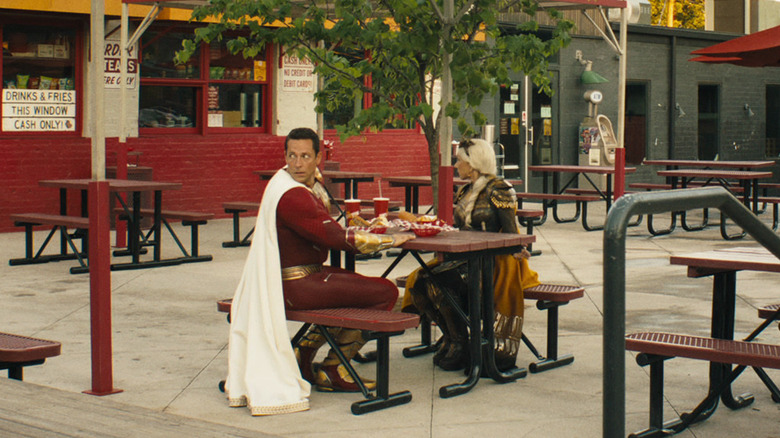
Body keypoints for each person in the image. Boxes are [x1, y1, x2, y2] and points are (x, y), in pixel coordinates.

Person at [225, 127, 415, 416]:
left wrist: (317, 189)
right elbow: (333, 237)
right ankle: (335, 368)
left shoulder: (285, 185)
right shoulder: (293, 196)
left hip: (294, 280)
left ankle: (303, 352)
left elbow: (326, 226)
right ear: (284, 156)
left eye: (305, 156)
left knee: (356, 284)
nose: (298, 163)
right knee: (385, 291)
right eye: (292, 156)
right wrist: (390, 239)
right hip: (299, 286)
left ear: (318, 158)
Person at [401, 138, 540, 372]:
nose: (456, 165)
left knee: (439, 281)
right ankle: (457, 340)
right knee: (422, 281)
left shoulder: (500, 189)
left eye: (459, 161)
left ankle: (463, 344)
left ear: (473, 163)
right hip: (465, 259)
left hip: (492, 263)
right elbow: (460, 229)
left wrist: (519, 251)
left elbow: (511, 234)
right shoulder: (465, 191)